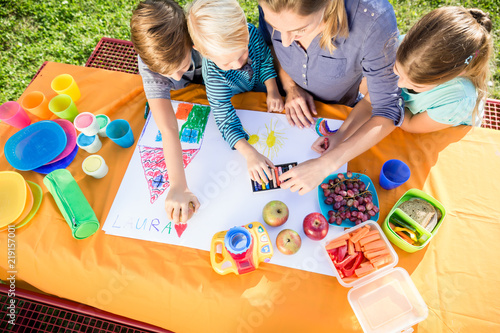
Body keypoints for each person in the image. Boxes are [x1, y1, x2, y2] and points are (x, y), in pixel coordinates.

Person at [258, 0, 404, 195]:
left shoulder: (372, 20)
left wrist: (327, 164)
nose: (285, 41)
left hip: (341, 108)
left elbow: (387, 109)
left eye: (300, 29)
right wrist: (290, 86)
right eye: (276, 27)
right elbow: (269, 44)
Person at [187, 0, 284, 184]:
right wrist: (249, 153)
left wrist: (273, 89)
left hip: (263, 94)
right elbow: (224, 118)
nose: (238, 64)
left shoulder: (250, 33)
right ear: (202, 52)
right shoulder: (213, 75)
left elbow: (264, 59)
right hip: (244, 103)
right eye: (227, 63)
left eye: (242, 54)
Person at [130, 0, 203, 224]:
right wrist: (178, 185)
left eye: (181, 67)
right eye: (168, 75)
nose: (177, 79)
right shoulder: (150, 63)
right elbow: (168, 128)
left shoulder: (204, 35)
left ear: (191, 40)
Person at [395, 7, 493, 133]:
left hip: (437, 128)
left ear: (455, 74)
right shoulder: (406, 50)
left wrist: (388, 102)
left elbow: (411, 124)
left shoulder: (457, 100)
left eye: (416, 85)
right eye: (397, 70)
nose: (399, 84)